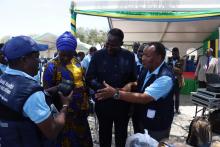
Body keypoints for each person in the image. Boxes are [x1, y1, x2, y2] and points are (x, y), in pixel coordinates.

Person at [0, 36, 73, 147]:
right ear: (24, 60)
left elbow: (19, 105)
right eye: (36, 57)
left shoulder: (3, 79)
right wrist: (65, 105)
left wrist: (46, 93)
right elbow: (52, 131)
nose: (39, 61)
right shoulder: (31, 93)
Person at [95, 42, 175, 141]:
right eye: (142, 54)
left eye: (147, 55)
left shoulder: (165, 78)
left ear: (159, 57)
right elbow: (140, 82)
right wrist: (131, 85)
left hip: (156, 126)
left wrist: (115, 93)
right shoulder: (147, 68)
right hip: (141, 120)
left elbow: (144, 98)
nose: (143, 58)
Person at [86, 28, 137, 147]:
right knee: (104, 135)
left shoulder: (129, 56)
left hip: (123, 104)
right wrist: (103, 89)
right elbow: (89, 78)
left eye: (113, 45)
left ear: (121, 44)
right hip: (103, 103)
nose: (109, 48)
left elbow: (134, 79)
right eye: (107, 44)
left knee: (121, 135)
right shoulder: (97, 56)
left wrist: (127, 91)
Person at [43, 31, 93, 147]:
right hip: (63, 113)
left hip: (80, 111)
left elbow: (83, 81)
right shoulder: (51, 66)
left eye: (69, 54)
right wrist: (60, 87)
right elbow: (46, 92)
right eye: (62, 54)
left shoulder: (77, 62)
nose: (65, 57)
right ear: (58, 51)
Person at [167, 47, 184, 114]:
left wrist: (173, 68)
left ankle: (177, 109)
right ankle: (170, 109)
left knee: (177, 96)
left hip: (178, 81)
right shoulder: (169, 59)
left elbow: (181, 71)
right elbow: (167, 68)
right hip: (170, 80)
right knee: (170, 96)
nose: (174, 55)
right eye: (173, 53)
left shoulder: (181, 60)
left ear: (178, 53)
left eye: (175, 54)